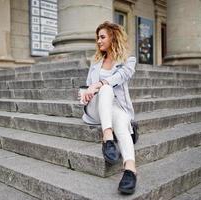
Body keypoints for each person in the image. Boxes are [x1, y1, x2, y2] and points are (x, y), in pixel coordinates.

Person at [79, 21, 137, 194]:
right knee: (103, 90)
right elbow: (87, 87)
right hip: (96, 109)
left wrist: (99, 84)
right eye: (97, 37)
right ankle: (108, 137)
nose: (98, 41)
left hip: (117, 107)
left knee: (120, 120)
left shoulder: (128, 61)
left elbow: (121, 76)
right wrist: (84, 93)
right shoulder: (96, 62)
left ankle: (130, 169)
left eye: (102, 37)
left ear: (113, 37)